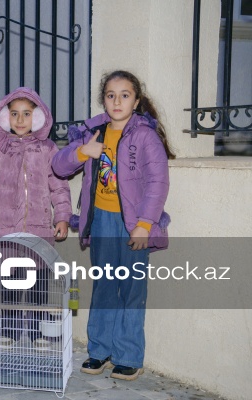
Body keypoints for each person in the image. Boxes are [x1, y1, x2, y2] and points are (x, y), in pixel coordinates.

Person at [52, 70, 173, 381]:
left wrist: (145, 224)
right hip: (102, 221)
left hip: (134, 223)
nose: (117, 101)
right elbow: (59, 165)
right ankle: (100, 350)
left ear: (136, 101)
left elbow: (158, 182)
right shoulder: (94, 133)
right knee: (105, 285)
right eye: (110, 95)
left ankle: (129, 355)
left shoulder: (144, 135)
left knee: (132, 288)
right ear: (103, 100)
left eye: (125, 95)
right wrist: (83, 151)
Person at [0, 87, 72, 348]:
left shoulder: (47, 149)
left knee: (38, 284)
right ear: (5, 117)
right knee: (9, 283)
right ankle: (11, 330)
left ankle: (38, 332)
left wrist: (62, 217)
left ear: (37, 117)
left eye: (26, 114)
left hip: (37, 228)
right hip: (6, 230)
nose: (19, 120)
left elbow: (59, 186)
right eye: (14, 114)